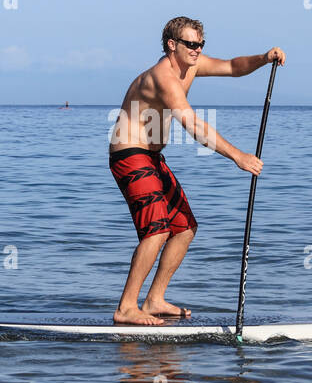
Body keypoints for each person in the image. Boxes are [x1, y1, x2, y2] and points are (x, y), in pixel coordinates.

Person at [108, 16, 286, 325]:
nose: (197, 50)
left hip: (152, 158)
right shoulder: (162, 77)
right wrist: (238, 156)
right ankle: (126, 307)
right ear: (171, 45)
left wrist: (263, 58)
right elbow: (192, 124)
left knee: (184, 227)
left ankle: (154, 300)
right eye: (191, 44)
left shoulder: (193, 65)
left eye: (201, 44)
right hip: (129, 155)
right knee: (157, 230)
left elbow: (232, 66)